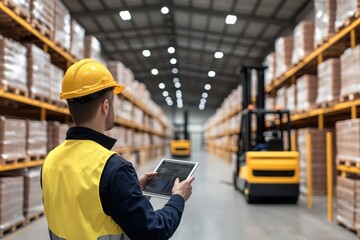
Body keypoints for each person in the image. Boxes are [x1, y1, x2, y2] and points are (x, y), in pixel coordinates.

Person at [41, 59, 195, 240]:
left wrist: (129, 189)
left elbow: (81, 205)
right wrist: (178, 198)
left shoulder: (50, 160)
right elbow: (154, 232)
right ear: (106, 107)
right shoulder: (113, 168)